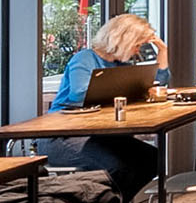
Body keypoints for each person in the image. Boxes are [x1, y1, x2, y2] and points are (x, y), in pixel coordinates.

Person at [39, 14, 168, 196]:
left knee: (153, 159)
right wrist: (126, 89)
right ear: (123, 40)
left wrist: (163, 51)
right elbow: (80, 93)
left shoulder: (119, 65)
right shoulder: (84, 58)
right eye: (137, 44)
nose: (138, 51)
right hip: (62, 136)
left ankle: (116, 199)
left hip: (97, 134)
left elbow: (158, 81)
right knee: (116, 167)